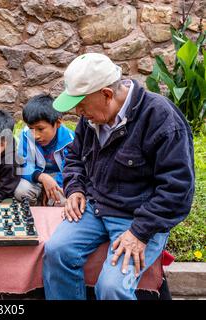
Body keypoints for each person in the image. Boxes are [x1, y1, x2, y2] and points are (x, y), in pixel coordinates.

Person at [43, 53, 195, 300]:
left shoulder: (161, 117)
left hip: (139, 216)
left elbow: (178, 190)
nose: (78, 112)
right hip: (97, 207)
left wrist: (140, 232)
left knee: (112, 287)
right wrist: (75, 189)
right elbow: (74, 158)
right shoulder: (91, 119)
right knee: (57, 251)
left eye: (81, 104)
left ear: (106, 94)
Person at [14, 94, 74, 206]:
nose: (35, 135)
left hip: (60, 179)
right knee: (21, 191)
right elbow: (22, 165)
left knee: (61, 200)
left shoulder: (70, 140)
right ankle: (34, 211)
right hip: (36, 177)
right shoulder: (26, 135)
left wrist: (54, 186)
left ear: (58, 123)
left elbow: (70, 169)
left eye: (40, 129)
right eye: (31, 128)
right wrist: (42, 177)